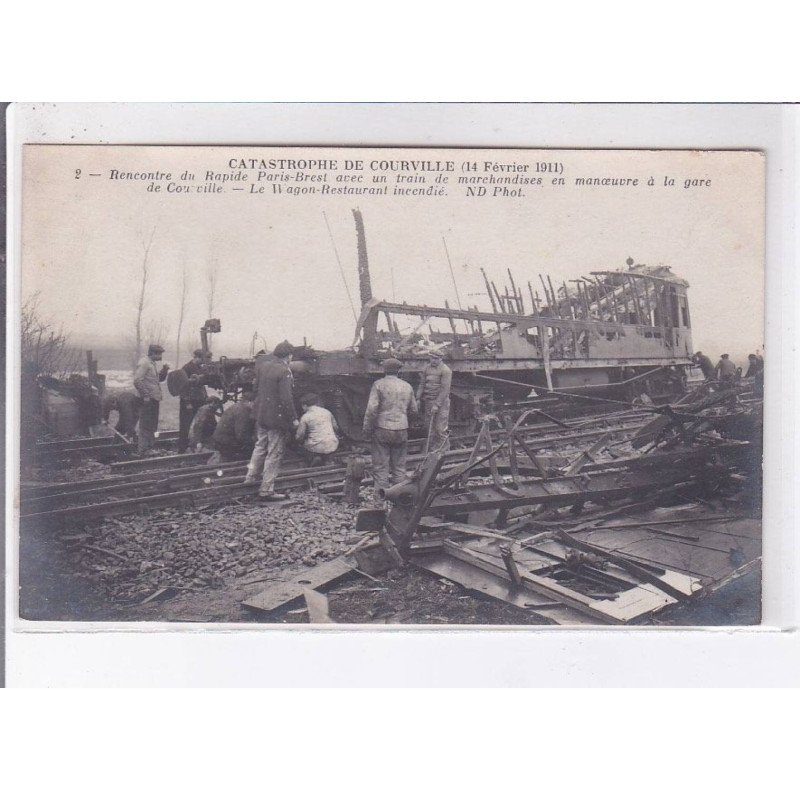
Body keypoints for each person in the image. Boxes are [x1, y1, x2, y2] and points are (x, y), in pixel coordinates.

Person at [244, 340, 298, 501]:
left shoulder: (263, 366)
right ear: (289, 356)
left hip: (261, 415)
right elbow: (286, 399)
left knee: (260, 446)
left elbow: (255, 390)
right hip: (276, 419)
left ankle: (250, 479)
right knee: (274, 452)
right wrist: (293, 419)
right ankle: (266, 489)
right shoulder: (285, 371)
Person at [362, 358, 418, 503]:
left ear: (384, 370)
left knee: (381, 467)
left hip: (382, 428)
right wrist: (406, 422)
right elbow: (414, 410)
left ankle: (380, 501)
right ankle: (399, 499)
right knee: (399, 468)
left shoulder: (378, 385)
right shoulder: (407, 386)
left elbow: (371, 410)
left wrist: (367, 430)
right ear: (398, 370)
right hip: (402, 428)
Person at [133, 344, 169, 456]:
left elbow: (157, 380)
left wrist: (165, 370)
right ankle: (143, 450)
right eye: (159, 354)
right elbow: (137, 380)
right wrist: (146, 395)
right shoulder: (144, 363)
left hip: (153, 399)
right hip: (147, 400)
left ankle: (149, 448)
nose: (161, 356)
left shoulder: (152, 363)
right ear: (153, 353)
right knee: (146, 424)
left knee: (152, 424)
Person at [416, 350, 452, 451]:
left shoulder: (445, 370)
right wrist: (418, 398)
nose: (433, 360)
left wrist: (437, 405)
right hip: (428, 400)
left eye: (436, 358)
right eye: (432, 358)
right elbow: (422, 384)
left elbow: (445, 389)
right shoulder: (426, 368)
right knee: (429, 428)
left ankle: (445, 451)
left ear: (441, 359)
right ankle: (433, 450)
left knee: (440, 428)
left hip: (441, 402)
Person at [177, 349, 209, 453]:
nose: (203, 362)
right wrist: (187, 402)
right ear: (197, 357)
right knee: (185, 425)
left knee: (200, 423)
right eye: (202, 359)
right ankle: (182, 449)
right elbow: (182, 387)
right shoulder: (186, 368)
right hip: (189, 401)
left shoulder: (200, 368)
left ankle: (195, 445)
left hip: (199, 399)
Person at [296, 393, 340, 466]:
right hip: (332, 445)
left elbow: (300, 436)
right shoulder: (327, 412)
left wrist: (299, 441)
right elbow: (336, 428)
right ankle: (328, 459)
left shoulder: (305, 417)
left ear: (304, 405)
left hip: (315, 447)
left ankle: (314, 457)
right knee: (329, 445)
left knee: (303, 446)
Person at [213, 394, 256, 462]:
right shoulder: (243, 411)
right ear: (249, 402)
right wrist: (254, 443)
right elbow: (241, 435)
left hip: (220, 440)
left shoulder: (238, 406)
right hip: (226, 443)